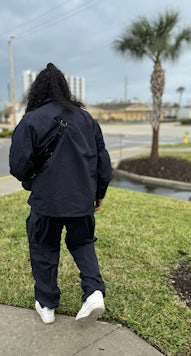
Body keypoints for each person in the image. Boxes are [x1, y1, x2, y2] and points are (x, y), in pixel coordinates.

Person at [9, 63, 112, 324]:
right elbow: (102, 161)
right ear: (65, 89)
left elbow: (19, 166)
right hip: (81, 200)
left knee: (44, 247)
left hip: (47, 201)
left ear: (37, 90)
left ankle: (46, 304)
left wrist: (33, 178)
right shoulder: (87, 119)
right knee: (83, 243)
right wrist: (99, 192)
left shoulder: (31, 120)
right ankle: (94, 292)